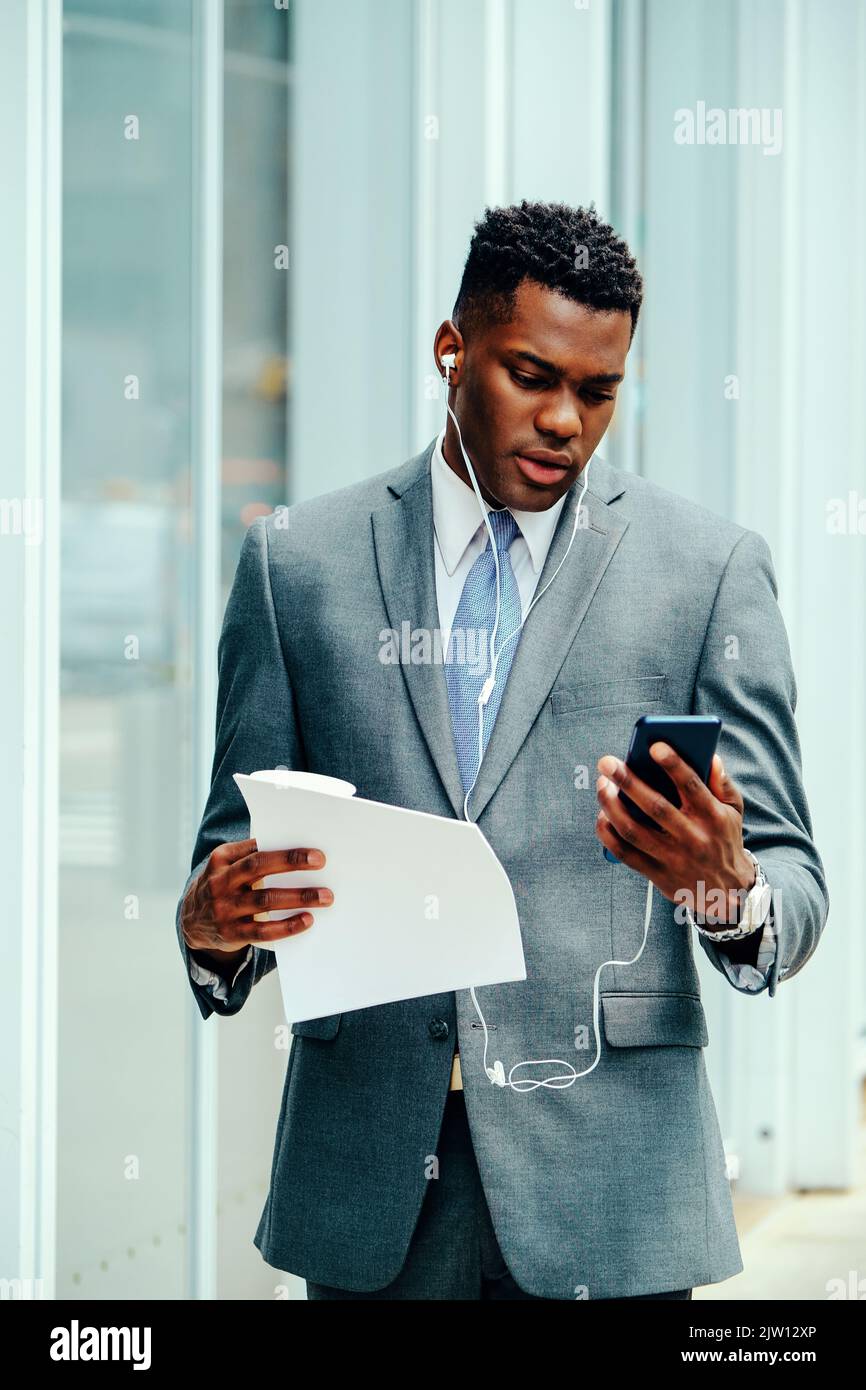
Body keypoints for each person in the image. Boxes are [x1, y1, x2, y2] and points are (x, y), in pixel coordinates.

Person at [176, 200, 828, 1300]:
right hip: (374, 1187)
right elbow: (228, 857)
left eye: (597, 390)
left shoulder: (704, 571)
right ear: (450, 349)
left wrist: (728, 891)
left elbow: (791, 886)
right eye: (531, 375)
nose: (564, 420)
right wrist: (210, 927)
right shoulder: (299, 566)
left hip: (611, 1192)